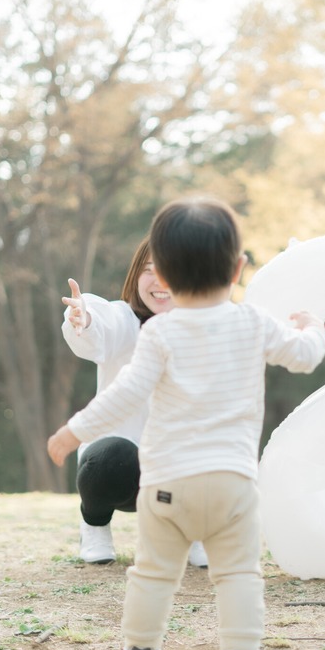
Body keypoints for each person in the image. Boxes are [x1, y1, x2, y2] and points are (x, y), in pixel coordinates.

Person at [48, 196, 325, 650]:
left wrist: (74, 431)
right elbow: (304, 356)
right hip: (231, 486)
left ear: (168, 274)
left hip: (163, 487)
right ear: (238, 268)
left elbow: (123, 394)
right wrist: (311, 326)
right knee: (238, 575)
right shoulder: (253, 322)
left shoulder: (159, 335)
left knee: (153, 575)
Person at [59, 237, 209, 568]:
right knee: (110, 457)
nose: (160, 282)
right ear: (135, 276)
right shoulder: (123, 320)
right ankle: (94, 525)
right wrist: (83, 320)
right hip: (123, 470)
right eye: (149, 271)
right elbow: (98, 326)